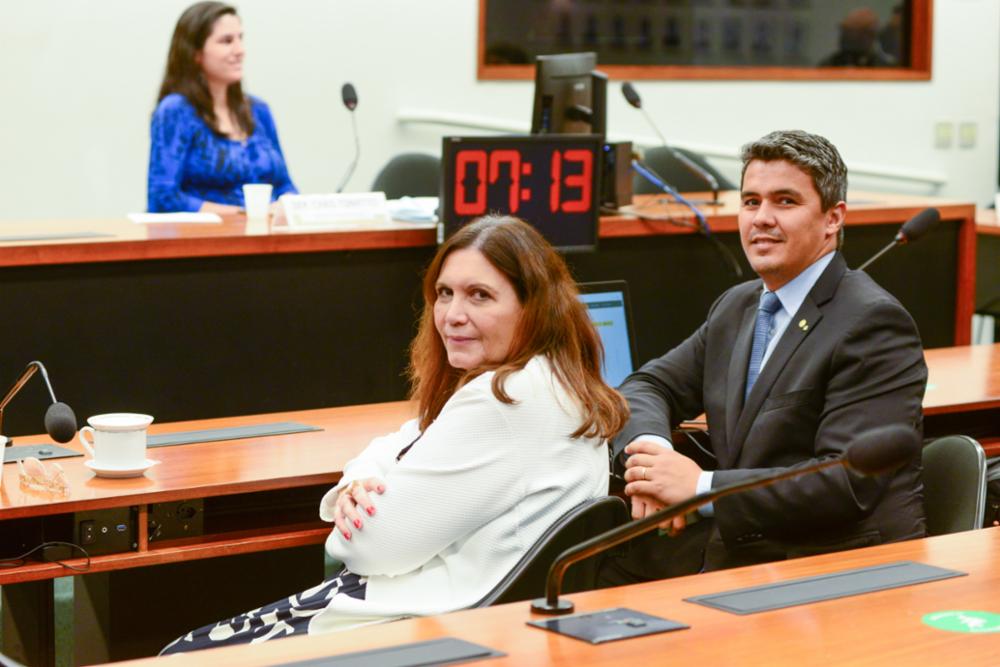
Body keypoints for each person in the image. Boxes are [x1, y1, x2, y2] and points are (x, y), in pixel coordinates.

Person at [161, 215, 629, 652]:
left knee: (177, 655)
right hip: (490, 625)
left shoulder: (505, 399)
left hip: (425, 625)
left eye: (479, 295)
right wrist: (358, 479)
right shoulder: (554, 381)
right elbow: (411, 435)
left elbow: (367, 549)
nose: (451, 315)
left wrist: (345, 528)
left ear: (534, 308)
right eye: (444, 293)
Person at [600, 130, 927, 584]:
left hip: (833, 567)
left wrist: (696, 489)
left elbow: (844, 484)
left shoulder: (873, 324)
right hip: (746, 548)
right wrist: (653, 461)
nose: (762, 219)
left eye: (785, 202)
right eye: (751, 202)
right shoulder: (739, 305)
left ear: (833, 218)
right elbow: (647, 386)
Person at [147, 2, 297, 214]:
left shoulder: (259, 110)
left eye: (240, 39)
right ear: (195, 53)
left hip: (268, 237)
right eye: (227, 41)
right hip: (206, 241)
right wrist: (242, 214)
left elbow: (284, 185)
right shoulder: (176, 111)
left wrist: (286, 204)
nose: (240, 51)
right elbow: (164, 196)